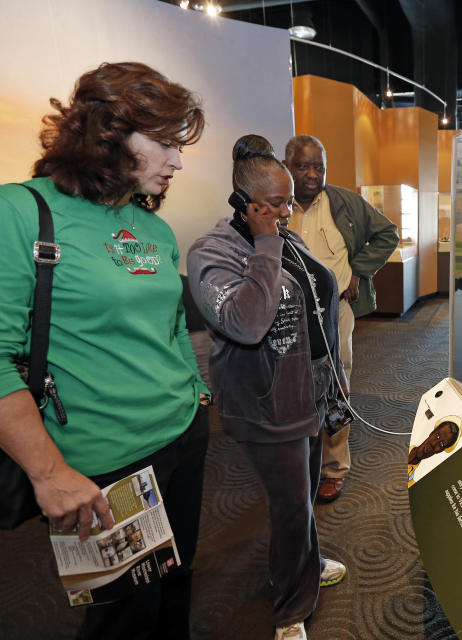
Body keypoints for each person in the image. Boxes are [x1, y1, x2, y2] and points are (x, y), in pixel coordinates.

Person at [0, 62, 210, 639]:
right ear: (106, 135)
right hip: (104, 462)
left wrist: (196, 390)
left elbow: (170, 322)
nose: (178, 161)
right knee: (123, 616)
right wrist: (49, 471)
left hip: (184, 436)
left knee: (176, 586)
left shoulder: (152, 228)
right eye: (164, 143)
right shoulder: (12, 213)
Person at [187, 139, 348, 640]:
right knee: (291, 503)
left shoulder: (286, 238)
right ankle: (290, 609)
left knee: (300, 493)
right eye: (276, 203)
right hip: (266, 403)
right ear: (243, 199)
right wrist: (264, 242)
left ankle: (304, 562)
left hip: (308, 392)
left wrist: (334, 384)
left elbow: (318, 307)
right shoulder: (212, 253)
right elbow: (247, 321)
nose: (286, 209)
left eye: (287, 201)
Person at [282, 134, 399, 502]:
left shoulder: (344, 202)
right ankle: (299, 463)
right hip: (286, 316)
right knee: (291, 388)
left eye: (319, 166)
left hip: (335, 313)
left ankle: (334, 468)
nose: (313, 174)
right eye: (304, 166)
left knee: (336, 384)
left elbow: (387, 234)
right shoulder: (276, 203)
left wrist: (358, 271)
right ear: (288, 166)